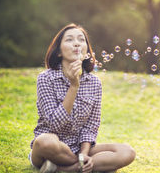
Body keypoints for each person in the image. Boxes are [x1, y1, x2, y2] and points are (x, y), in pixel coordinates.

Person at [29, 23, 136, 173]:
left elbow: (91, 126)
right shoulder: (46, 78)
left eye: (81, 39)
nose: (77, 43)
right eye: (69, 40)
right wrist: (74, 87)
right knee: (44, 141)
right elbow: (54, 124)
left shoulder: (94, 83)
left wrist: (84, 154)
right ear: (58, 52)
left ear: (86, 51)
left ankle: (64, 169)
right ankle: (90, 166)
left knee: (127, 152)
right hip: (53, 146)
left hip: (80, 148)